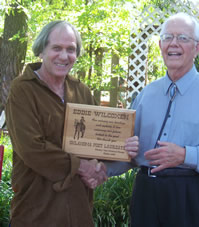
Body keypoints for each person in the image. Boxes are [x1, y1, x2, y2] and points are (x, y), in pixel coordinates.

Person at [5, 21, 138, 227]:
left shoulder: (81, 91)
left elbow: (97, 139)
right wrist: (82, 166)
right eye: (56, 48)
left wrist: (120, 149)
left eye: (71, 49)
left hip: (79, 210)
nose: (64, 56)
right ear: (41, 50)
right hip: (36, 212)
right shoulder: (22, 90)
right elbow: (32, 149)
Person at [127, 13, 199, 227]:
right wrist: (97, 168)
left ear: (197, 48)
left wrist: (185, 155)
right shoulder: (145, 95)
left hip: (198, 198)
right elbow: (126, 149)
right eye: (168, 37)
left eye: (182, 38)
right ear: (160, 45)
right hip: (147, 198)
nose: (173, 43)